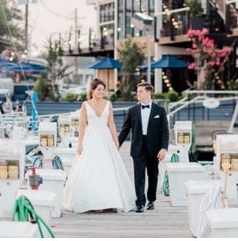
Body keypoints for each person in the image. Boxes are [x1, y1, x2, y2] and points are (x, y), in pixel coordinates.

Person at [61, 78, 136, 213]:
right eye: (99, 89)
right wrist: (79, 144)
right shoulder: (85, 105)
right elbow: (82, 126)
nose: (101, 92)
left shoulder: (108, 104)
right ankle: (91, 202)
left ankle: (107, 201)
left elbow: (112, 124)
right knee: (90, 169)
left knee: (107, 168)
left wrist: (116, 140)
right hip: (90, 139)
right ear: (93, 90)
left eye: (103, 89)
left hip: (105, 138)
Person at [118, 82, 169, 213]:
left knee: (153, 175)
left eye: (140, 91)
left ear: (148, 92)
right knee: (139, 176)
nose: (138, 94)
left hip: (154, 147)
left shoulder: (160, 111)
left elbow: (165, 131)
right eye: (138, 91)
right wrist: (116, 145)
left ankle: (151, 200)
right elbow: (125, 130)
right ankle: (140, 202)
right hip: (138, 146)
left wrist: (163, 148)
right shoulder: (132, 110)